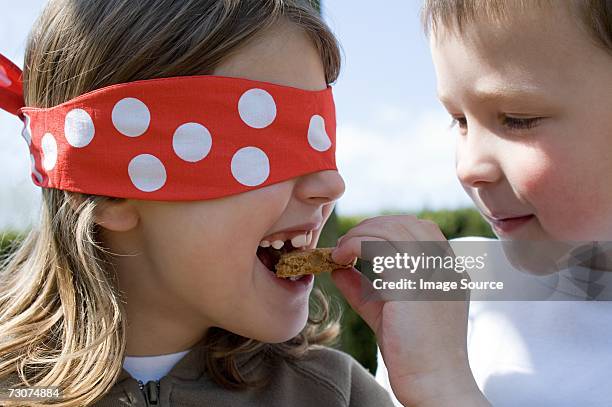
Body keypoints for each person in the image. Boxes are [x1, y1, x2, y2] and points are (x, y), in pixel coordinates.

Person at [0, 1, 481, 406]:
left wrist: (441, 385)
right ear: (108, 188)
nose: (331, 184)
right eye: (264, 147)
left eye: (321, 138)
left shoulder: (334, 394)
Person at [375, 1, 612, 406]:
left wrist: (442, 386)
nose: (468, 167)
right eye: (460, 120)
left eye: (518, 119)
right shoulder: (454, 291)